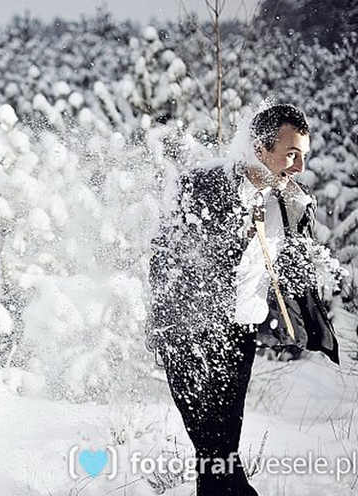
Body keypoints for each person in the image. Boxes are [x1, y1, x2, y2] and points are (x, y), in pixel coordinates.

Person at [146, 103, 339, 495]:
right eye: (291, 154)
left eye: (303, 155)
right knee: (214, 449)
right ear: (259, 148)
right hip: (188, 331)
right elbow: (166, 256)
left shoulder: (293, 204)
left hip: (238, 332)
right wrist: (231, 236)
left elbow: (293, 271)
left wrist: (308, 266)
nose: (300, 167)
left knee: (220, 449)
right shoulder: (202, 185)